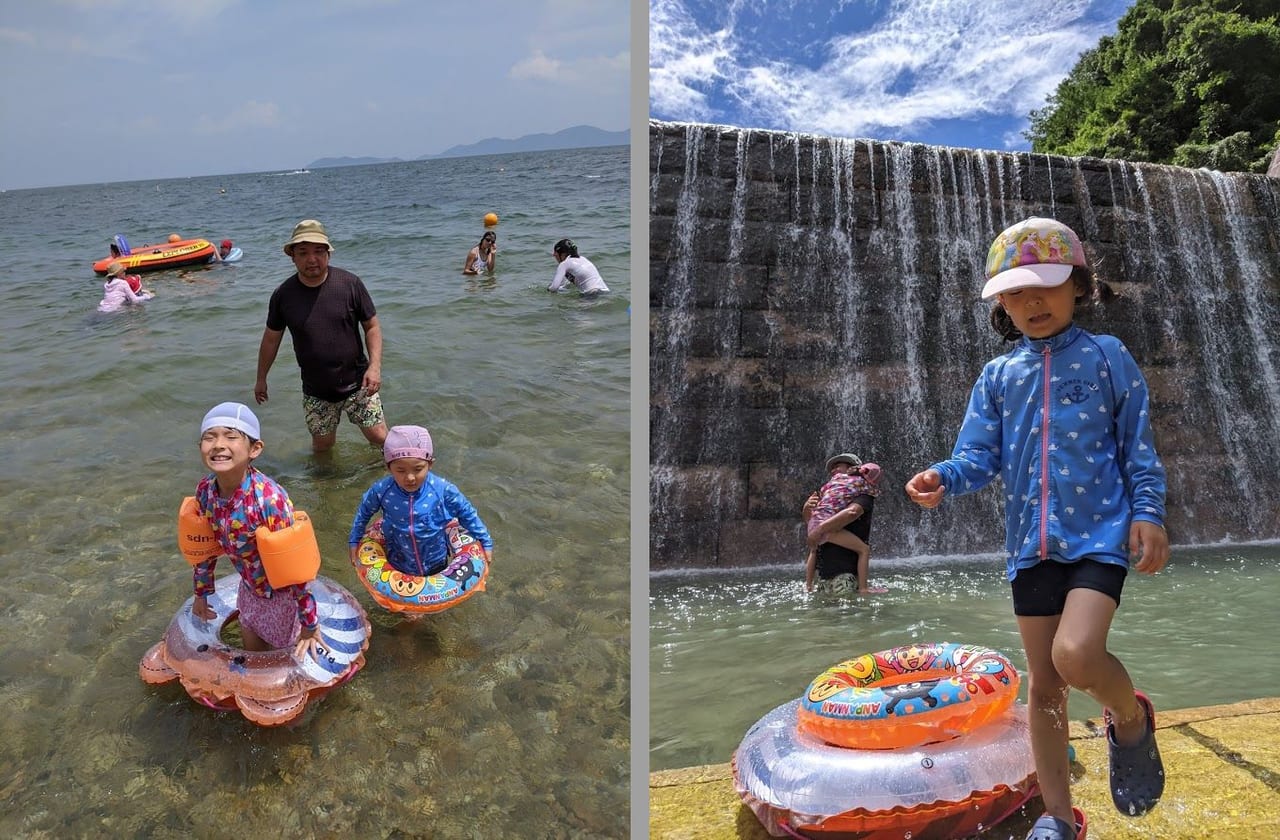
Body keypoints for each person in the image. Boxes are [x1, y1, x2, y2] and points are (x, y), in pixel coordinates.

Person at [904, 217, 1169, 840]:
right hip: (1030, 547)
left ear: (1078, 285)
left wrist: (1148, 512)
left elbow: (1138, 448)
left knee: (1075, 655)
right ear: (1001, 302)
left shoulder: (1107, 356)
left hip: (1100, 535)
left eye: (1044, 287)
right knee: (1045, 687)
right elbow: (978, 458)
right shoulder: (998, 377)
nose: (1031, 302)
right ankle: (1058, 819)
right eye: (1016, 292)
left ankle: (1129, 718)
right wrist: (943, 475)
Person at [189, 402, 321, 660]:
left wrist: (309, 624)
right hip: (250, 589)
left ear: (255, 449)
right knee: (253, 656)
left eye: (230, 436)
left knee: (285, 661)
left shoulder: (268, 501)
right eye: (209, 437)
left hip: (283, 597)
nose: (218, 444)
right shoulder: (206, 491)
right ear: (200, 448)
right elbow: (204, 549)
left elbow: (294, 570)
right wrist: (201, 594)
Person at [254, 219, 389, 452]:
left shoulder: (350, 284)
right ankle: (327, 488)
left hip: (359, 383)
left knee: (380, 439)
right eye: (303, 253)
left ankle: (394, 482)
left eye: (318, 251)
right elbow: (271, 339)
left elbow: (372, 327)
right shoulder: (283, 295)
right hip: (316, 389)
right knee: (322, 448)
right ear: (292, 257)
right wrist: (261, 378)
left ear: (329, 254)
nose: (311, 259)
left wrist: (374, 367)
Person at [348, 425, 494, 579]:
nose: (410, 477)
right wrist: (354, 541)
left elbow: (467, 513)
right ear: (388, 467)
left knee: (439, 600)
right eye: (401, 470)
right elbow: (363, 514)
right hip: (398, 560)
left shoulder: (442, 490)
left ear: (430, 464)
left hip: (436, 561)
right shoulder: (382, 491)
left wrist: (485, 542)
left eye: (418, 469)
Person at [801, 452, 882, 594]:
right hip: (823, 577)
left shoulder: (863, 495)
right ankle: (809, 586)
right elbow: (811, 521)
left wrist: (818, 529)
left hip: (844, 574)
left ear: (853, 468)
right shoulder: (830, 493)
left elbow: (852, 512)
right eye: (832, 469)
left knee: (843, 614)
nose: (833, 471)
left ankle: (808, 586)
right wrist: (806, 509)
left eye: (838, 466)